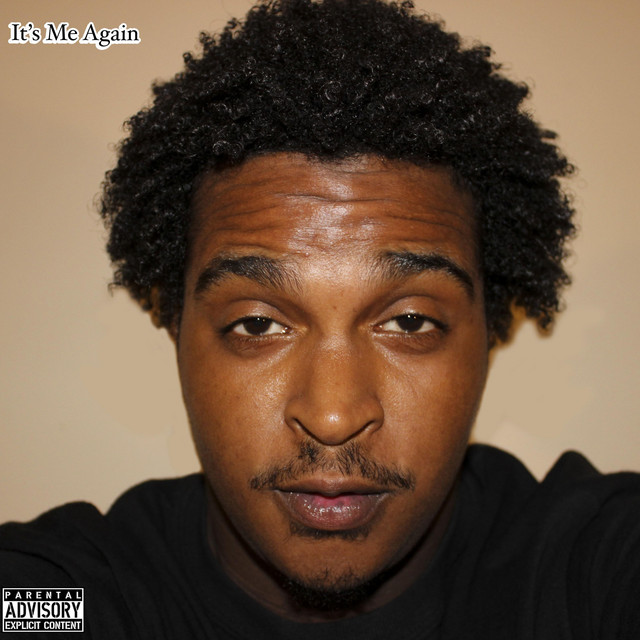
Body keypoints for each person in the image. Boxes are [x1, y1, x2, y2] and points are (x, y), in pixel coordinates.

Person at [1, 0, 638, 637]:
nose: (333, 417)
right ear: (176, 328)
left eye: (409, 323)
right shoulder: (61, 598)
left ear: (490, 333)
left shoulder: (594, 574)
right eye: (257, 325)